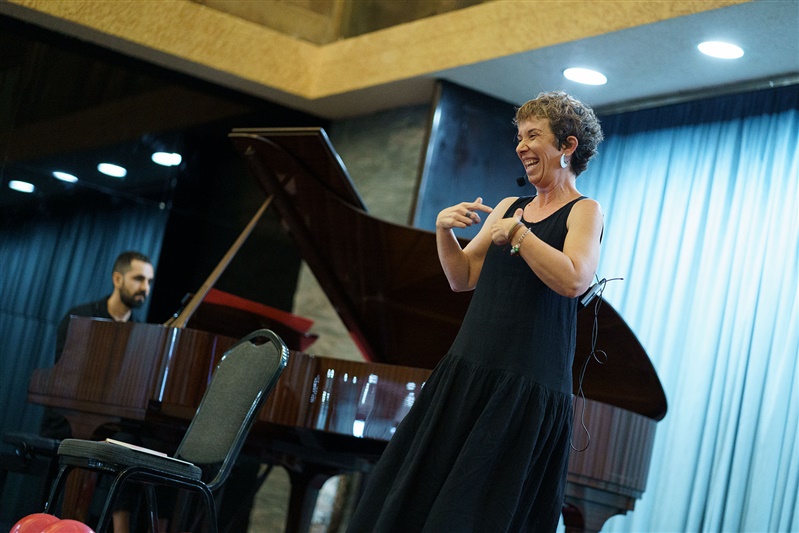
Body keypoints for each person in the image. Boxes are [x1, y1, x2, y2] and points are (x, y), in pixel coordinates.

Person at [346, 90, 605, 532]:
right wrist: (443, 231)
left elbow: (575, 280)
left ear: (568, 145)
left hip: (524, 385)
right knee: (418, 500)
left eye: (533, 135)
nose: (521, 146)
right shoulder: (509, 208)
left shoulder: (585, 211)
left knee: (474, 513)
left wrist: (520, 237)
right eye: (519, 137)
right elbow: (462, 276)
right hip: (467, 373)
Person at [40, 251, 155, 533]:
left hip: (113, 423)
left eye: (149, 281)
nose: (145, 287)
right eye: (138, 279)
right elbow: (65, 378)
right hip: (69, 418)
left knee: (136, 447)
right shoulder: (81, 316)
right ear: (117, 279)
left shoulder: (142, 333)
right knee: (116, 443)